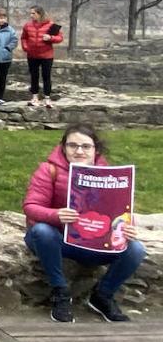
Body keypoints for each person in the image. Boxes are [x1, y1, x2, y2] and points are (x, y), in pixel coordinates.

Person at [23, 124, 146, 322]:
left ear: (96, 149)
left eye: (86, 146)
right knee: (42, 231)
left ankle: (102, 296)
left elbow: (121, 212)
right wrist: (57, 214)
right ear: (63, 147)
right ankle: (60, 292)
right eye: (72, 145)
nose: (79, 151)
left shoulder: (110, 176)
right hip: (57, 239)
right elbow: (31, 206)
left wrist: (126, 228)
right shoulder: (49, 170)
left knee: (136, 249)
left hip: (95, 242)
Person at [21, 5, 62, 108]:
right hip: (32, 55)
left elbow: (60, 38)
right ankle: (35, 97)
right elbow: (24, 38)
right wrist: (25, 47)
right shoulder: (27, 25)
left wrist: (50, 37)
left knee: (46, 76)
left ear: (40, 14)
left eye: (33, 13)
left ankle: (47, 98)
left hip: (46, 56)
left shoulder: (51, 25)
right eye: (30, 13)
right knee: (34, 76)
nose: (31, 15)